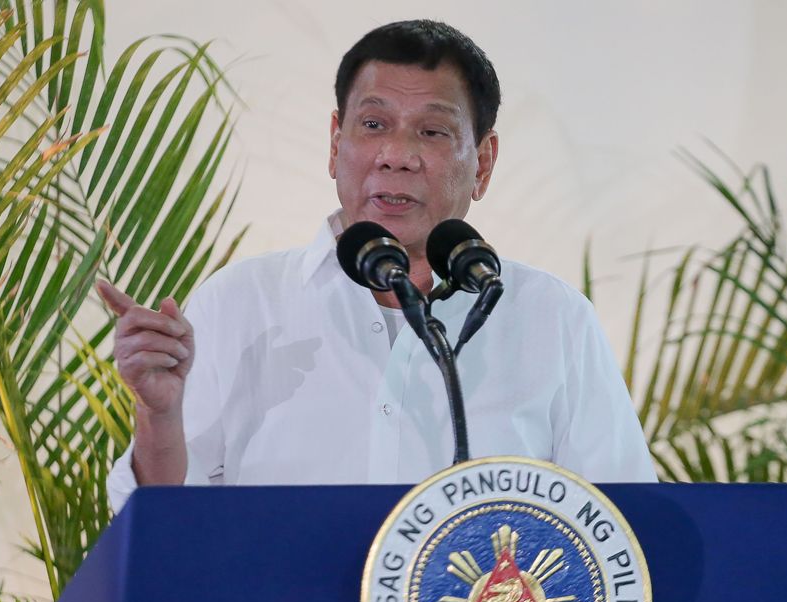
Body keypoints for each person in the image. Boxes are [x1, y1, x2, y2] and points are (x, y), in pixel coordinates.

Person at [100, 19, 657, 512]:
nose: (396, 155)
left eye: (432, 132)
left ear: (483, 163)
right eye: (373, 124)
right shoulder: (241, 303)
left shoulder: (552, 319)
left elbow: (621, 529)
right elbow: (160, 528)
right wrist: (158, 416)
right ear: (334, 142)